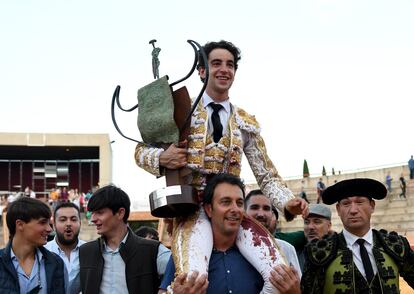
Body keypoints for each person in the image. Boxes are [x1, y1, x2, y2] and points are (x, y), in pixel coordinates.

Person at [134, 40, 308, 290]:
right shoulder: (180, 111)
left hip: (232, 212)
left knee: (281, 278)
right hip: (193, 211)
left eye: (230, 65)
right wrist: (162, 158)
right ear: (202, 71)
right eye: (216, 63)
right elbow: (140, 152)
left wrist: (287, 201)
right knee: (194, 281)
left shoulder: (245, 122)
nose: (224, 69)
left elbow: (266, 174)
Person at [159, 173, 300, 294]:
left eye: (239, 203)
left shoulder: (261, 256)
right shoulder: (187, 254)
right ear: (209, 209)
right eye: (226, 202)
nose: (235, 209)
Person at [301, 178, 414, 293]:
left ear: (372, 206)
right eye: (346, 203)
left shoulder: (396, 245)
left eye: (359, 202)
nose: (353, 210)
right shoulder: (318, 252)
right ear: (338, 210)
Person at [78, 185, 168, 294]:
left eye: (100, 212)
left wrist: (164, 288)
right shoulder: (85, 252)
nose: (93, 219)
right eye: (92, 213)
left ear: (120, 213)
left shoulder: (153, 251)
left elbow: (182, 270)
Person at [0, 197, 66, 293]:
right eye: (43, 222)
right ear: (20, 225)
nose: (49, 229)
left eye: (49, 223)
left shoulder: (55, 262)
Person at [245, 189, 302, 277]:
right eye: (254, 207)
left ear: (272, 214)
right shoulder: (232, 248)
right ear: (244, 212)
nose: (261, 214)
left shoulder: (287, 249)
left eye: (266, 208)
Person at [45, 202, 85, 294]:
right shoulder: (43, 252)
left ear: (80, 223)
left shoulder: (90, 251)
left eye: (73, 219)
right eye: (62, 220)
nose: (68, 224)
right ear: (54, 225)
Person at [297, 203, 332, 271]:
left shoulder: (339, 253)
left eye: (317, 222)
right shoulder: (296, 255)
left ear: (329, 226)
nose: (310, 227)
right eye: (306, 222)